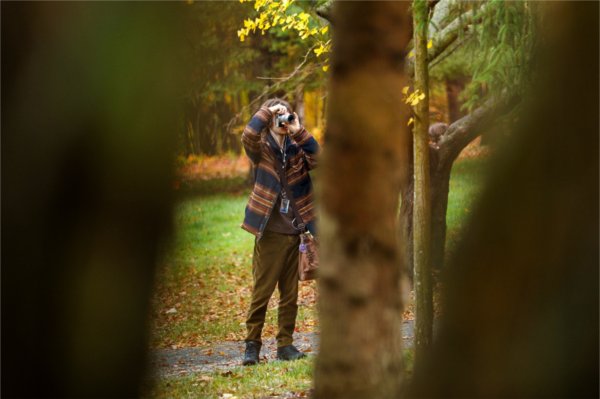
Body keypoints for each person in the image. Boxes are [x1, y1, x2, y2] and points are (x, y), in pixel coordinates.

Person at [240, 98, 319, 365]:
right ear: (269, 120)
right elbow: (249, 134)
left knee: (290, 297)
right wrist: (267, 111)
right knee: (261, 293)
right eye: (278, 117)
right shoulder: (260, 150)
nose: (282, 120)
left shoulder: (297, 148)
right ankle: (252, 345)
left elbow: (320, 158)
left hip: (296, 234)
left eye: (286, 115)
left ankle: (285, 345)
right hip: (270, 233)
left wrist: (298, 130)